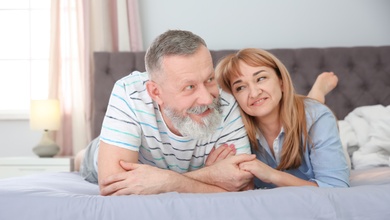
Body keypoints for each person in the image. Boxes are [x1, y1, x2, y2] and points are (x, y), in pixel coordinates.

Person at [77, 30, 332, 195]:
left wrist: (168, 182)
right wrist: (209, 177)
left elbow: (242, 186)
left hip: (155, 166)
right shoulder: (127, 93)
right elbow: (113, 186)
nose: (207, 97)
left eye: (209, 79)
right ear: (156, 92)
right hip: (103, 155)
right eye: (189, 87)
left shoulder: (226, 102)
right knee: (85, 159)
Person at [214, 48, 350, 188]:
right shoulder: (234, 132)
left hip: (317, 128)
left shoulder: (318, 117)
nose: (254, 93)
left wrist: (272, 175)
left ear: (281, 82)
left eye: (261, 79)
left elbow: (336, 188)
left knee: (311, 110)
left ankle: (317, 93)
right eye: (240, 87)